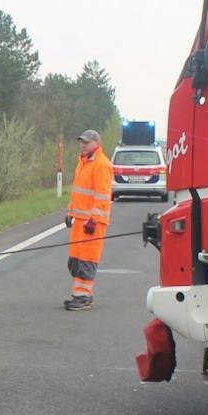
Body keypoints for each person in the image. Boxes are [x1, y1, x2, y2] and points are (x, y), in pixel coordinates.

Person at [63, 130, 113, 310]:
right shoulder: (82, 163)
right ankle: (82, 295)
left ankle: (82, 297)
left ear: (96, 143)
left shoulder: (101, 165)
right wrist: (70, 212)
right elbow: (78, 191)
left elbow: (102, 195)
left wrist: (93, 219)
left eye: (86, 142)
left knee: (87, 260)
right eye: (81, 142)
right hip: (79, 220)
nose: (82, 145)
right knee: (75, 260)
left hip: (92, 223)